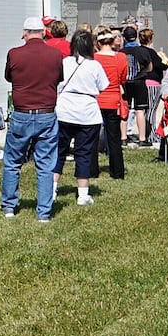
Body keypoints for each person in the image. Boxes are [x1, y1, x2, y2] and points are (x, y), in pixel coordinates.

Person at [0, 17, 63, 222]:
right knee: (45, 164)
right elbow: (58, 78)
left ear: (25, 33)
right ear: (43, 33)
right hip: (46, 113)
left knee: (12, 161)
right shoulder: (55, 55)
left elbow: (9, 77)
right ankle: (44, 212)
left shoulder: (14, 54)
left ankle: (9, 206)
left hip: (21, 113)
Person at [54, 30, 108, 206]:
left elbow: (56, 84)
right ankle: (83, 194)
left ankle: (52, 189)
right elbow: (102, 87)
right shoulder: (95, 65)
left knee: (58, 152)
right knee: (84, 153)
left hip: (64, 110)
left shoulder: (64, 63)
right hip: (87, 113)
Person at [92, 28, 128, 179]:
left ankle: (91, 170)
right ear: (112, 42)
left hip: (96, 100)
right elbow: (123, 78)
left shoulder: (93, 59)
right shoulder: (120, 57)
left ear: (98, 43)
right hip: (114, 100)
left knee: (92, 137)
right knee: (114, 138)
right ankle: (117, 171)